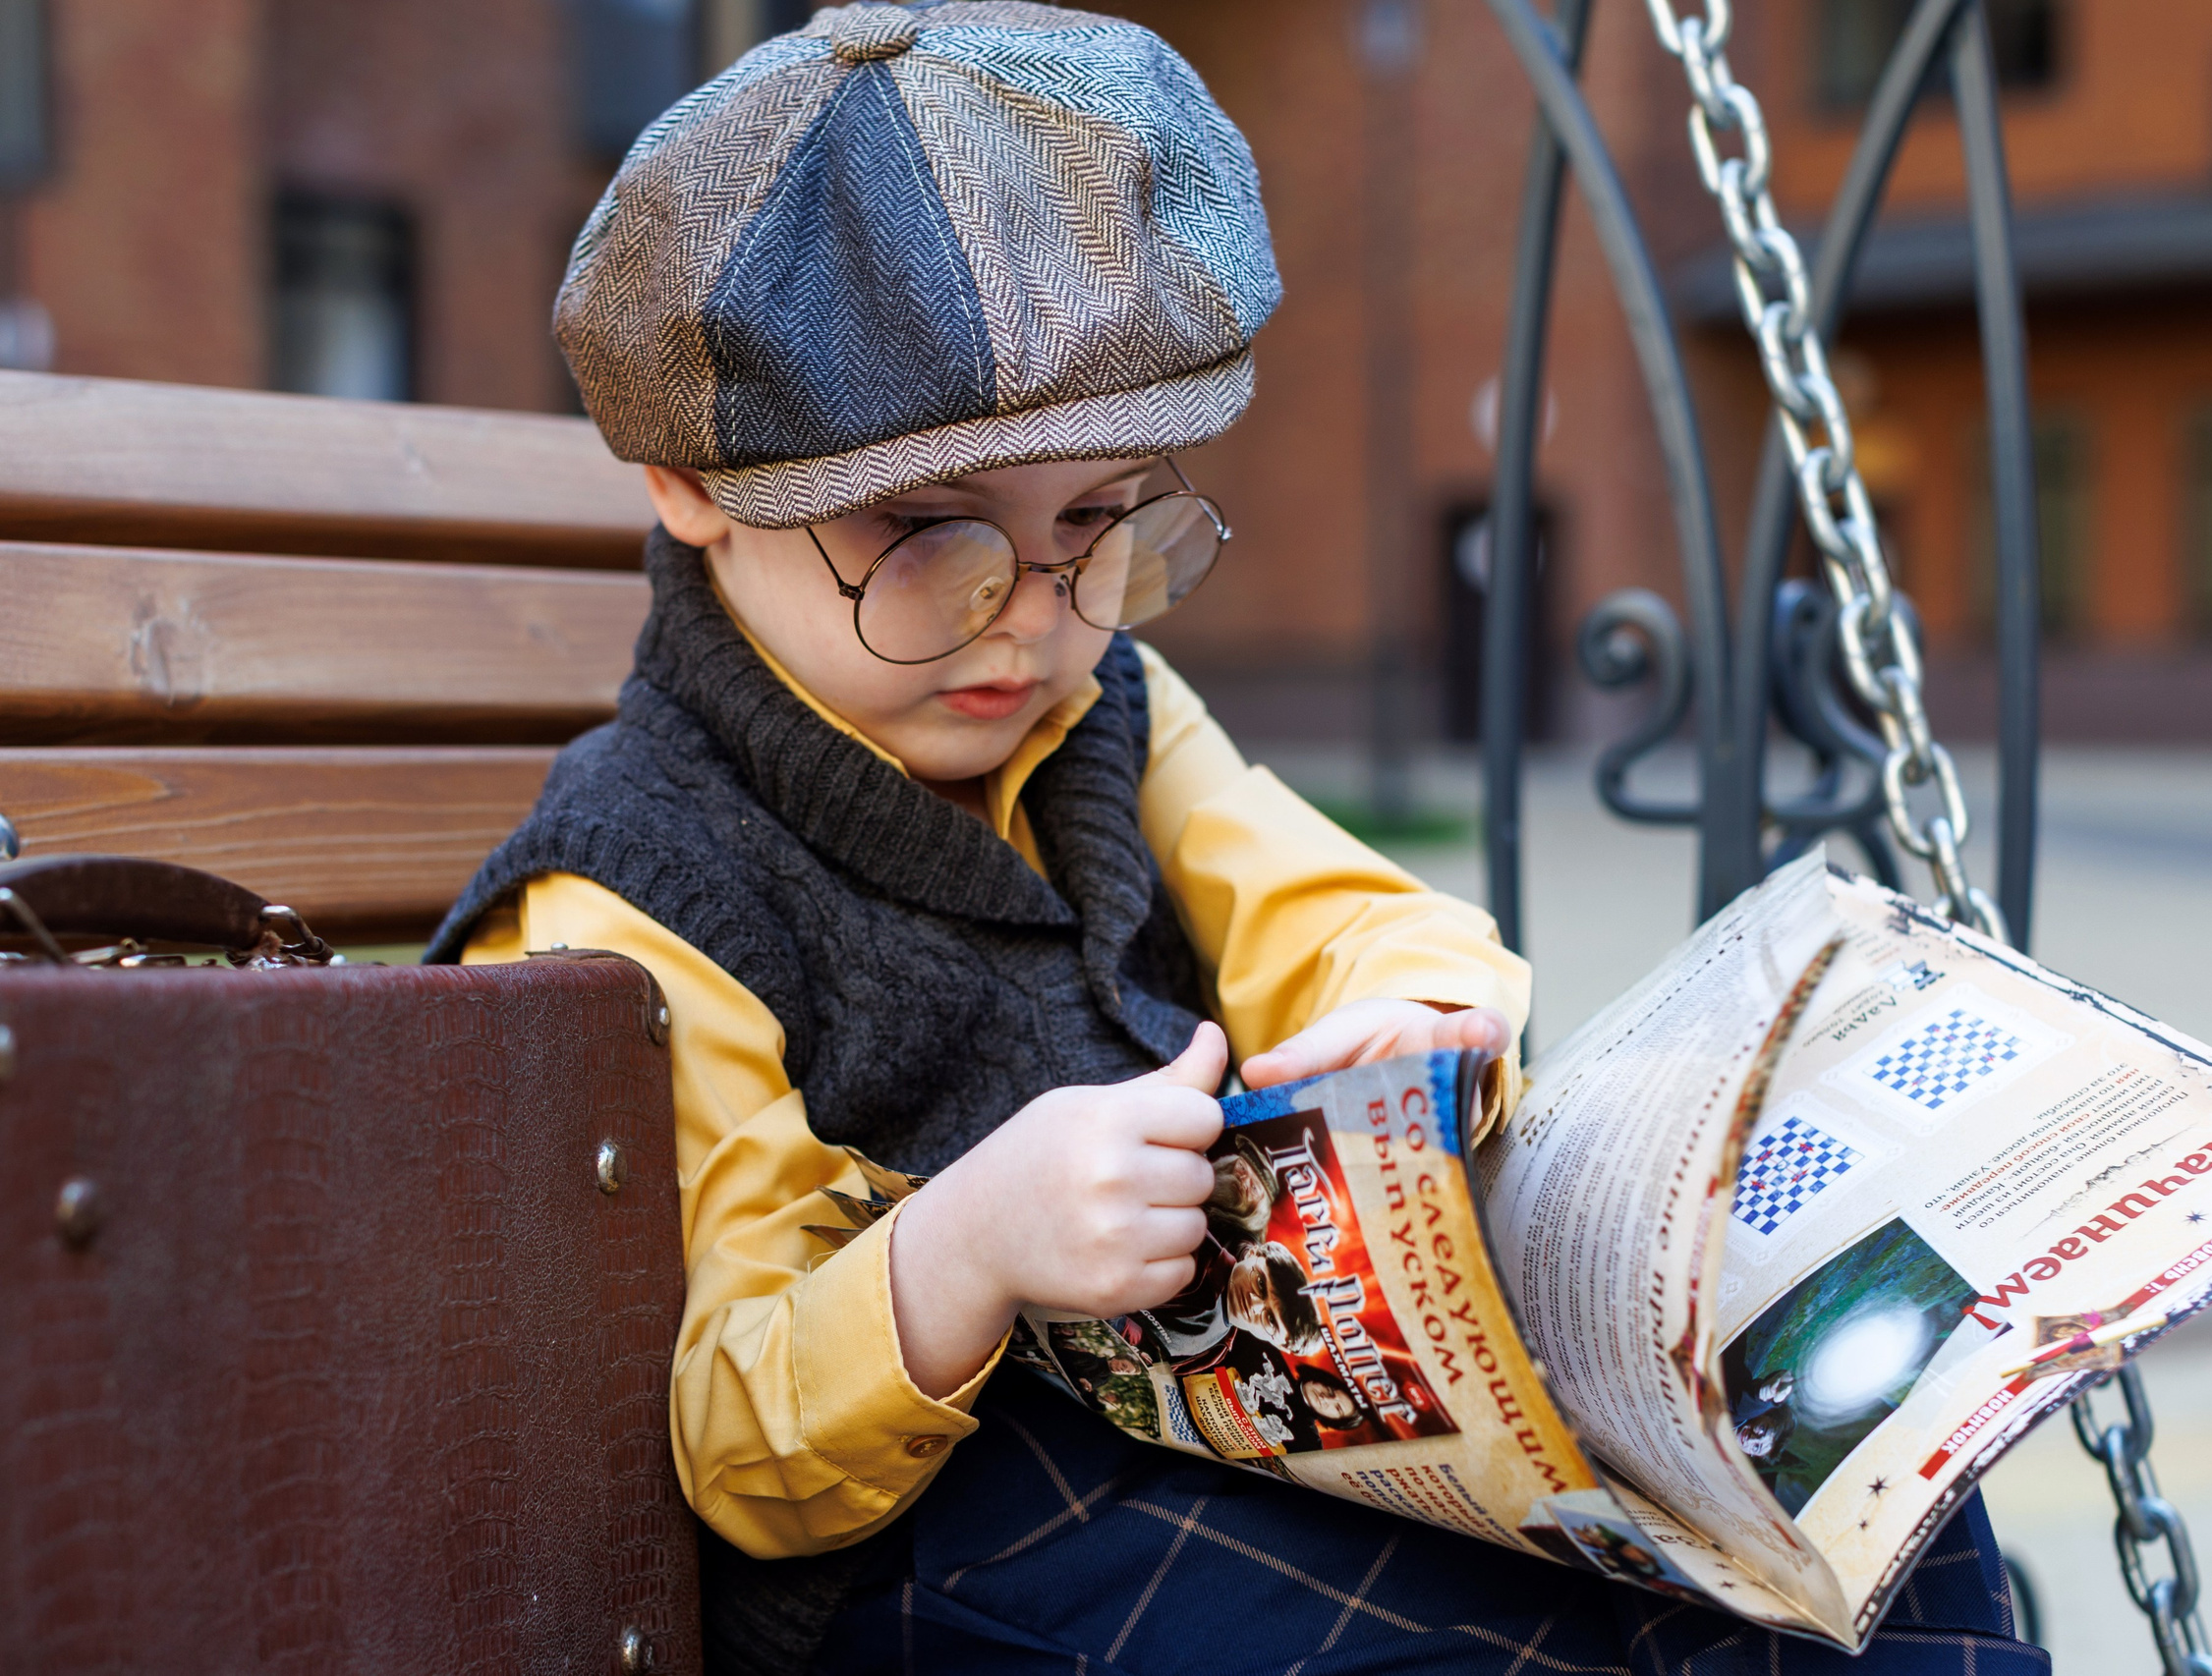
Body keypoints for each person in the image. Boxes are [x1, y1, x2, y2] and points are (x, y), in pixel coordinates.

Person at [434, 6, 2047, 1672]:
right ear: (690, 489)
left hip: (1210, 1423)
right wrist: (966, 1246)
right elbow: (734, 1437)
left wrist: (1422, 1013)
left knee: (1846, 1477)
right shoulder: (630, 897)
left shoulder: (1093, 713)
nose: (1029, 621)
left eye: (1098, 522)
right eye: (929, 544)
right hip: (928, 1551)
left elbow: (1331, 912)